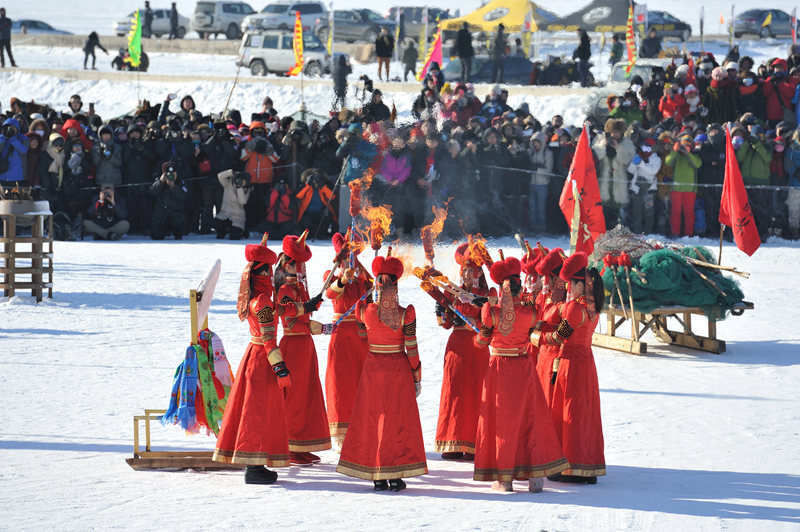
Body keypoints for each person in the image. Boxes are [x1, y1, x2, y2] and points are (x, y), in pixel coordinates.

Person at [473, 255, 568, 492]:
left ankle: (505, 479)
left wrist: (480, 334)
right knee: (530, 418)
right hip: (524, 367)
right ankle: (535, 477)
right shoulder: (531, 312)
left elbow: (482, 342)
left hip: (500, 370)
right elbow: (535, 329)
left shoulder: (490, 312)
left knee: (502, 422)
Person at [337, 253, 427, 492]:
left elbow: (362, 334)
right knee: (395, 421)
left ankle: (376, 473)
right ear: (395, 286)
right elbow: (412, 347)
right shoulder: (406, 314)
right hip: (397, 368)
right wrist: (416, 374)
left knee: (374, 419)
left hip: (373, 370)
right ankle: (396, 474)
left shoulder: (365, 311)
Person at [212, 235, 291, 484]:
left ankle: (255, 463)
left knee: (254, 411)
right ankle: (254, 467)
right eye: (268, 271)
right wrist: (281, 369)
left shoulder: (256, 299)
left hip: (254, 357)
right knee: (257, 413)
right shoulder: (264, 301)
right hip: (263, 361)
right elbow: (269, 339)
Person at [533, 252, 606, 485]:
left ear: (579, 285)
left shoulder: (574, 308)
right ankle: (586, 464)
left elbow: (559, 337)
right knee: (584, 413)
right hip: (586, 362)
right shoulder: (592, 306)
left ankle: (568, 465)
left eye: (570, 285)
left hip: (570, 364)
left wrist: (534, 337)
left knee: (569, 414)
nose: (567, 289)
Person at [275, 231, 331, 465]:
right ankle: (290, 444)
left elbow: (305, 322)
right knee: (295, 397)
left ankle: (303, 443)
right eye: (297, 266)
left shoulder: (299, 289)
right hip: (293, 348)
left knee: (308, 395)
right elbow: (287, 314)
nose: (301, 271)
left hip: (306, 346)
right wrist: (304, 307)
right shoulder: (284, 291)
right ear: (287, 266)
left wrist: (326, 328)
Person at [434, 243, 494, 460]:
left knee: (477, 393)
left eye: (472, 271)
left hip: (477, 347)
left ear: (479, 273)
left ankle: (475, 442)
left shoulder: (487, 295)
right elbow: (445, 323)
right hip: (457, 347)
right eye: (465, 271)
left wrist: (479, 307)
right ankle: (453, 441)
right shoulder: (452, 293)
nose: (468, 274)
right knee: (455, 393)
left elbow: (491, 321)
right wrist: (441, 309)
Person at [323, 232, 372, 449]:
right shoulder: (332, 273)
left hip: (361, 335)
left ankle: (364, 428)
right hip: (341, 334)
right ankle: (341, 435)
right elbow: (330, 294)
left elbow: (373, 291)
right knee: (341, 384)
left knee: (363, 383)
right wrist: (343, 278)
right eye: (347, 256)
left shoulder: (363, 276)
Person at [664, 132, 702, 237]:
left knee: (689, 213)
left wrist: (688, 153)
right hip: (676, 188)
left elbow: (698, 164)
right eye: (684, 145)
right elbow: (668, 162)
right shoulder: (677, 155)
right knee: (675, 213)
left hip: (690, 189)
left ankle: (688, 234)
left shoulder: (694, 155)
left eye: (688, 145)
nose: (686, 147)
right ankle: (675, 233)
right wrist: (675, 151)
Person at [150, 161, 187, 240]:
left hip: (175, 214)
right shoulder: (159, 180)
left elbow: (184, 196)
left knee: (179, 232)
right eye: (168, 174)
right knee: (156, 235)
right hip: (161, 214)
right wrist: (160, 182)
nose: (170, 176)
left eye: (173, 173)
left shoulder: (180, 181)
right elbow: (152, 192)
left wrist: (174, 187)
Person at [214, 170, 251, 240]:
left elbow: (242, 201)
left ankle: (242, 231)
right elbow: (220, 176)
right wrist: (231, 172)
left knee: (234, 237)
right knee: (218, 226)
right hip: (225, 214)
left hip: (237, 217)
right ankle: (222, 231)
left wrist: (239, 188)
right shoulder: (227, 184)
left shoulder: (246, 189)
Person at [0, 117, 28, 183]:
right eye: (7, 128)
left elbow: (23, 150)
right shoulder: (2, 138)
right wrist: (3, 138)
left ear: (17, 129)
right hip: (2, 174)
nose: (9, 130)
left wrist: (13, 139)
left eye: (12, 128)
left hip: (16, 175)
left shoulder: (23, 138)